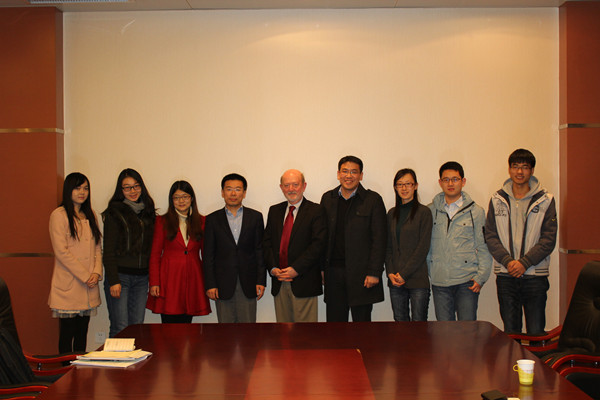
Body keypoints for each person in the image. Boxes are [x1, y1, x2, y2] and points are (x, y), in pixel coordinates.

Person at [485, 149, 557, 335]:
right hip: (506, 275)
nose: (519, 171)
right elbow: (490, 235)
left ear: (532, 171)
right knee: (511, 333)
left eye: (525, 167)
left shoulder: (546, 200)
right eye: (515, 166)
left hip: (535, 276)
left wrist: (524, 263)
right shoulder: (497, 199)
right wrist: (508, 262)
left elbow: (548, 239)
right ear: (509, 169)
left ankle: (536, 357)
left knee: (536, 331)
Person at [320, 156, 387, 322]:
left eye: (354, 172)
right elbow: (321, 237)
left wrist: (374, 272)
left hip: (362, 275)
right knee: (335, 326)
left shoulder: (372, 200)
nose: (348, 176)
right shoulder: (328, 199)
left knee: (362, 327)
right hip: (333, 273)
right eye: (345, 171)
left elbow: (380, 239)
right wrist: (321, 269)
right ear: (338, 174)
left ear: (361, 175)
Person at [427, 161, 492, 321]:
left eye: (455, 179)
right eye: (446, 179)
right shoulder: (430, 211)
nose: (450, 184)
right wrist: (431, 270)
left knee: (467, 330)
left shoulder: (476, 212)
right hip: (440, 281)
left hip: (466, 281)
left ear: (463, 181)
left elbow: (483, 246)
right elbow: (426, 246)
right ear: (440, 182)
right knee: (444, 331)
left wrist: (481, 277)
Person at [263, 169, 327, 322]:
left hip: (304, 280)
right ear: (281, 187)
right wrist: (273, 268)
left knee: (306, 332)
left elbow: (318, 245)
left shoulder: (316, 210)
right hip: (279, 281)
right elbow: (266, 243)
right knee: (283, 331)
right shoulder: (274, 211)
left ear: (304, 186)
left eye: (295, 184)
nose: (291, 189)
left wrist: (296, 269)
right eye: (286, 185)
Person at [48, 172, 102, 353]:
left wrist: (96, 273)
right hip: (70, 283)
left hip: (89, 284)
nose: (82, 192)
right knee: (67, 334)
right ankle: (65, 367)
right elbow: (61, 252)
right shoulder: (59, 215)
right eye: (77, 188)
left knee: (82, 332)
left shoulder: (90, 214)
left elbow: (97, 248)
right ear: (68, 190)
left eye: (85, 188)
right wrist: (86, 276)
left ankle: (80, 367)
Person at [203, 173, 266, 323]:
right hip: (222, 283)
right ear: (222, 192)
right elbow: (208, 254)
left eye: (238, 189)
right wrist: (210, 284)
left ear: (244, 193)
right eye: (229, 189)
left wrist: (261, 280)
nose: (233, 193)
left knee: (248, 328)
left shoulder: (255, 217)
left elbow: (260, 251)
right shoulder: (212, 219)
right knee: (225, 330)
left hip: (249, 282)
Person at [146, 181, 211, 323]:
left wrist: (209, 282)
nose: (181, 201)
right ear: (171, 200)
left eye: (185, 196)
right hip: (169, 278)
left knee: (187, 325)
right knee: (169, 324)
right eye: (176, 197)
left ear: (191, 198)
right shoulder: (162, 221)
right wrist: (154, 282)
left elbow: (206, 255)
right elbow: (155, 255)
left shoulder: (202, 221)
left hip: (193, 276)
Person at [102, 168, 156, 337]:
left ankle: (133, 356)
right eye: (127, 187)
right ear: (121, 190)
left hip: (142, 278)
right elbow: (108, 250)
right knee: (120, 327)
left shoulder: (148, 212)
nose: (132, 191)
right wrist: (113, 280)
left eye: (136, 186)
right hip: (120, 277)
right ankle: (115, 355)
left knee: (137, 326)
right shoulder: (114, 212)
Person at [385, 168, 433, 321]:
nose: (404, 188)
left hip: (417, 279)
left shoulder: (424, 212)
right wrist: (390, 272)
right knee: (400, 324)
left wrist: (404, 274)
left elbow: (423, 248)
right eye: (400, 184)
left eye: (408, 184)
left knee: (418, 326)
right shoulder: (391, 214)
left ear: (415, 186)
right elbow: (388, 247)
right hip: (395, 280)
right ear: (395, 187)